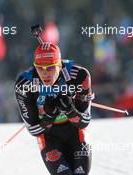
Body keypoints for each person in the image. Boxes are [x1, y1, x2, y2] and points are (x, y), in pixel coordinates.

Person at [15, 42, 93, 175]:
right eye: (40, 68)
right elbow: (34, 130)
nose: (45, 73)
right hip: (49, 136)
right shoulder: (24, 84)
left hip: (75, 131)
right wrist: (49, 117)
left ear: (60, 64)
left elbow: (84, 121)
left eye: (50, 68)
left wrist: (70, 109)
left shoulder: (79, 76)